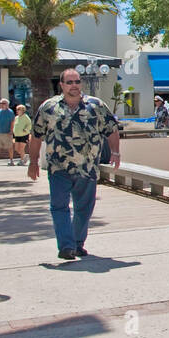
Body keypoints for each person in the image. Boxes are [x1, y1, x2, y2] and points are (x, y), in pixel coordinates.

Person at [27, 67, 121, 260]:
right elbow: (36, 136)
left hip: (87, 168)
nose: (74, 86)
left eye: (77, 81)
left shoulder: (96, 106)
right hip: (58, 168)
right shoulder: (49, 107)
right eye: (69, 82)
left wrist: (116, 152)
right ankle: (66, 246)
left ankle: (77, 243)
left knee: (84, 208)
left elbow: (112, 129)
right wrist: (33, 161)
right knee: (59, 207)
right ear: (61, 85)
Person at [0, 98, 17, 165]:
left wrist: (11, 131)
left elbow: (12, 122)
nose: (1, 105)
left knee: (9, 147)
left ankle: (11, 160)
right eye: (1, 103)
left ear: (7, 104)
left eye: (3, 103)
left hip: (7, 132)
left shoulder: (10, 112)